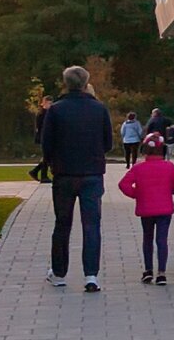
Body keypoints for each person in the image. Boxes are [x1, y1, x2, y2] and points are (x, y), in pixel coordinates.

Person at [35, 65, 115, 292]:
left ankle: (59, 272)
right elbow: (108, 142)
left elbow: (46, 143)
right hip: (91, 173)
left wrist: (52, 162)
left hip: (64, 174)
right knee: (91, 225)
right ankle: (91, 275)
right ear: (85, 82)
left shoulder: (57, 110)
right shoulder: (99, 109)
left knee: (62, 224)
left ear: (66, 83)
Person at [117, 135, 174, 286]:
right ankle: (161, 273)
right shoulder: (169, 167)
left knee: (147, 239)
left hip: (146, 208)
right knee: (161, 240)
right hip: (164, 209)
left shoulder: (138, 168)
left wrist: (137, 194)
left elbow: (123, 184)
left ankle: (148, 271)